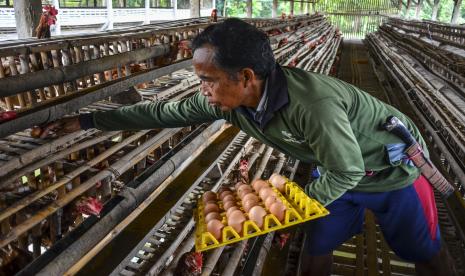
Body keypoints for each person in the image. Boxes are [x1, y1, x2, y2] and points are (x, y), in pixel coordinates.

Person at [41, 18, 455, 275]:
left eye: (207, 79)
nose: (202, 90)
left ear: (245, 76)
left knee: (426, 255)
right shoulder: (233, 103)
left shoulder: (312, 106)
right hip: (336, 167)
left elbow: (347, 171)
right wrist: (87, 120)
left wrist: (293, 205)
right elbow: (161, 113)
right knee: (316, 248)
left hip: (391, 172)